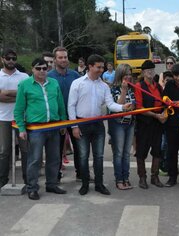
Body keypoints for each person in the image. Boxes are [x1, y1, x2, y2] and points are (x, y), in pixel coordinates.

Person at [68, 54, 132, 196]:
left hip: (98, 125)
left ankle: (99, 184)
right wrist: (74, 126)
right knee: (83, 156)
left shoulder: (104, 86)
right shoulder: (77, 83)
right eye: (99, 67)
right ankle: (85, 184)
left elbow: (110, 104)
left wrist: (123, 108)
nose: (101, 70)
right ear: (89, 66)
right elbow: (71, 106)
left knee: (99, 156)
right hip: (81, 123)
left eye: (102, 67)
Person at [14, 58, 67, 200]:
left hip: (54, 126)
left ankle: (51, 184)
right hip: (36, 128)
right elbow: (19, 109)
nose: (42, 71)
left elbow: (60, 104)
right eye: (39, 68)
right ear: (32, 69)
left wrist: (63, 124)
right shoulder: (24, 85)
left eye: (44, 68)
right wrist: (21, 128)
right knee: (35, 159)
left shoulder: (54, 83)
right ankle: (32, 187)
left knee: (54, 158)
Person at [47, 46, 81, 182]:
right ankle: (56, 176)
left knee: (79, 148)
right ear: (55, 60)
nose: (63, 60)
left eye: (65, 57)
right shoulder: (49, 77)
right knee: (56, 150)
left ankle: (81, 173)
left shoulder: (75, 75)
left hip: (74, 118)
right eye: (60, 57)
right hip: (57, 120)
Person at [134, 60, 166, 189]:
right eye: (147, 70)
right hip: (144, 123)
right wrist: (155, 115)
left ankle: (155, 176)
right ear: (143, 72)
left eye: (152, 70)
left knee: (157, 150)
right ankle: (142, 178)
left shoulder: (158, 86)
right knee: (141, 151)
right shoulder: (139, 86)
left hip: (157, 123)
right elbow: (139, 107)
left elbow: (164, 103)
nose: (150, 72)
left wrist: (164, 113)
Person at [0, 49, 28, 189]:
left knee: (25, 149)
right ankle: (3, 180)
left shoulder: (23, 76)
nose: (11, 61)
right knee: (4, 151)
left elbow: (27, 95)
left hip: (21, 119)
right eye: (8, 58)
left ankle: (28, 179)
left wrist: (6, 93)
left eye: (13, 58)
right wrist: (18, 96)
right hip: (3, 118)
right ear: (2, 59)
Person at [108, 64, 136, 190]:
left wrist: (133, 106)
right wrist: (123, 91)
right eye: (126, 74)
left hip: (130, 123)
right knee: (118, 153)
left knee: (126, 153)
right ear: (120, 75)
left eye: (130, 74)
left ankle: (126, 178)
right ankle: (119, 179)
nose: (129, 77)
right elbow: (116, 107)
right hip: (117, 123)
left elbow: (134, 104)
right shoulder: (114, 88)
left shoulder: (132, 88)